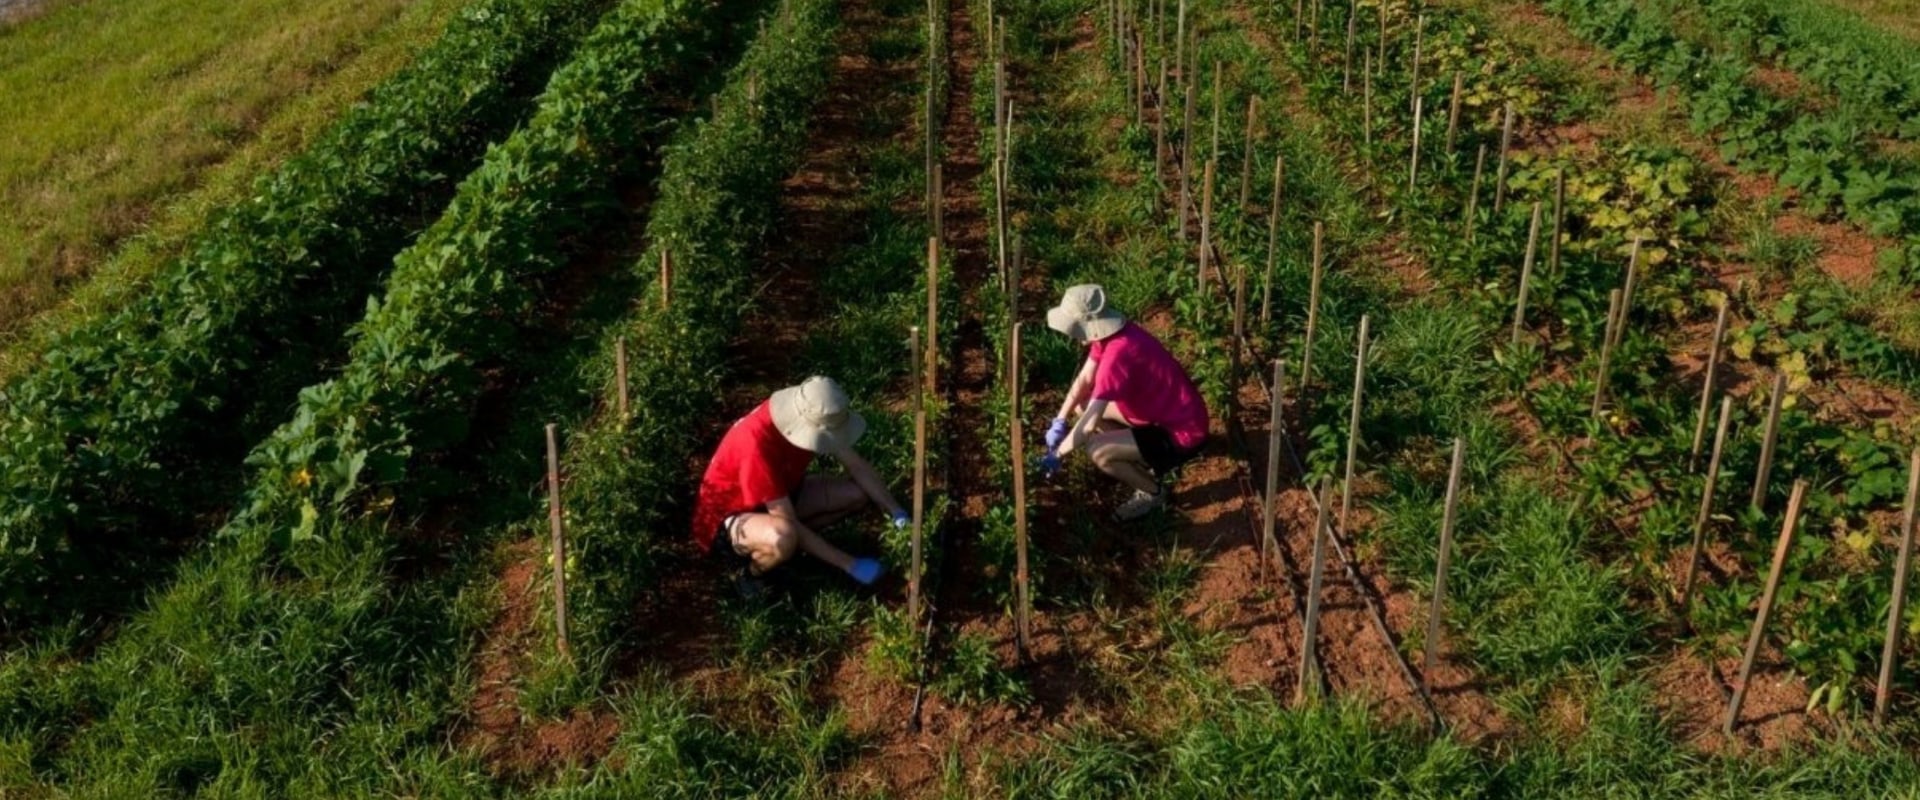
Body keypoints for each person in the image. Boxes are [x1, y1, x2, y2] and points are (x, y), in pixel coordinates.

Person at [692, 376, 905, 595]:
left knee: (856, 494)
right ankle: (749, 574)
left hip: (782, 493)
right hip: (731, 518)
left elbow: (856, 465)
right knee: (783, 536)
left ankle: (796, 547)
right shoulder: (755, 444)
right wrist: (850, 564)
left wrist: (897, 512)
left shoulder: (812, 409)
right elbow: (787, 520)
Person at [1041, 284, 1209, 521]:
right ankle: (1138, 458)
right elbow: (1084, 380)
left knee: (1097, 451)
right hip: (1165, 412)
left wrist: (1057, 455)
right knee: (1082, 405)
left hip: (1182, 432)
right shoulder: (1110, 336)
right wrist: (1059, 419)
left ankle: (1153, 492)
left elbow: (1088, 426)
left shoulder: (1117, 356)